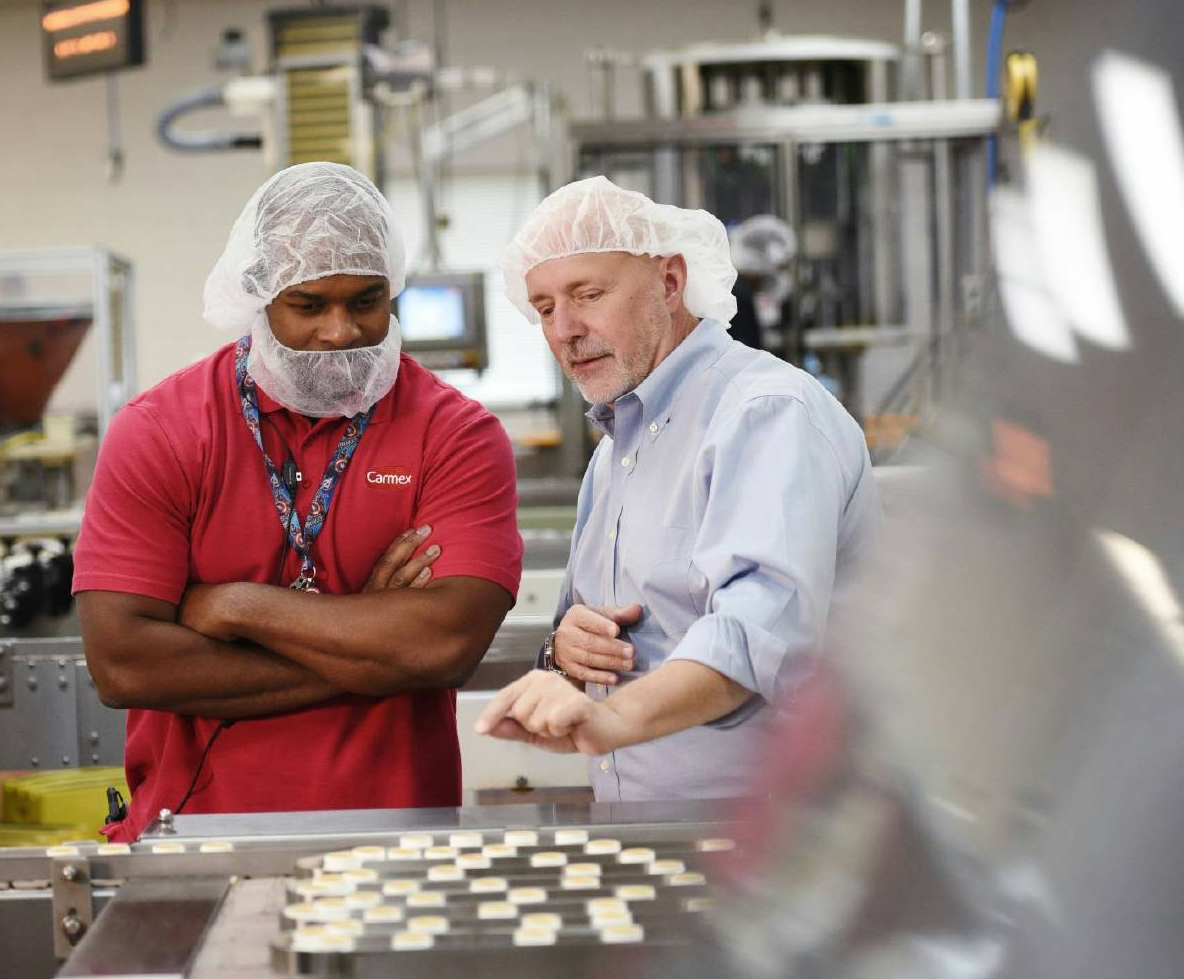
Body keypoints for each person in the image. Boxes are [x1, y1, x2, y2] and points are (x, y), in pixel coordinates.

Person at [74, 163, 522, 839]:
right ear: (257, 295)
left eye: (366, 301)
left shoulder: (453, 434)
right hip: (192, 837)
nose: (340, 330)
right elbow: (122, 662)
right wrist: (372, 644)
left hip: (394, 843)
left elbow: (444, 644)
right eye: (309, 305)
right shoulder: (163, 431)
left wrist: (235, 606)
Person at [474, 177, 880, 801]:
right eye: (546, 307)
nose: (564, 330)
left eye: (588, 294)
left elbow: (756, 635)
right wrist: (567, 653)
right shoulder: (616, 448)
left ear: (669, 282)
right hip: (649, 834)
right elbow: (585, 636)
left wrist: (613, 720)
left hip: (759, 836)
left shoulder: (763, 412)